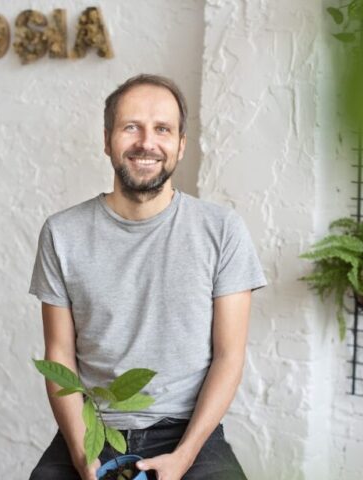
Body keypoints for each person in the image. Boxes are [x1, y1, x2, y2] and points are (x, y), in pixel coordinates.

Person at [29, 74, 266, 480]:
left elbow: (229, 356)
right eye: (131, 127)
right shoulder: (62, 233)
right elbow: (59, 355)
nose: (146, 142)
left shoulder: (222, 230)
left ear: (181, 144)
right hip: (95, 425)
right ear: (107, 141)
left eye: (162, 129)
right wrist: (83, 455)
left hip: (188, 431)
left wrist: (184, 456)